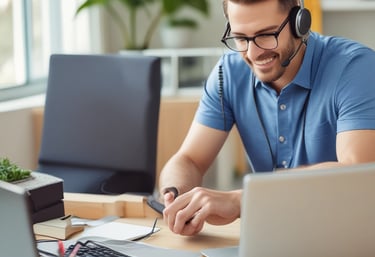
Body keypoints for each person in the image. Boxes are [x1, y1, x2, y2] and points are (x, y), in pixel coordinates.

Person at [159, 0, 375, 236]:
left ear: (299, 22)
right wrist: (176, 195)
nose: (253, 53)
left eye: (266, 35)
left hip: (348, 235)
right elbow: (189, 159)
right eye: (241, 38)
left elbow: (359, 176)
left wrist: (241, 200)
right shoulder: (228, 73)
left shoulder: (356, 67)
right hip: (275, 233)